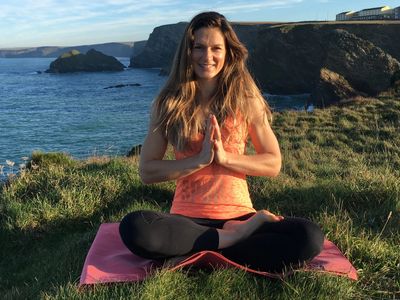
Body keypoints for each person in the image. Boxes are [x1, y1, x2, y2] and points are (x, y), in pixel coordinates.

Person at [119, 11, 324, 273]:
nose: (207, 57)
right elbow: (147, 171)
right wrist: (199, 160)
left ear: (228, 52)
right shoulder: (168, 104)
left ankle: (200, 250)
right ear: (188, 52)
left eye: (216, 48)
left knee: (309, 236)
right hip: (187, 220)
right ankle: (230, 243)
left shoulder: (246, 99)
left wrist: (226, 158)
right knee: (135, 227)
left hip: (240, 216)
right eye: (199, 48)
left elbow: (272, 163)